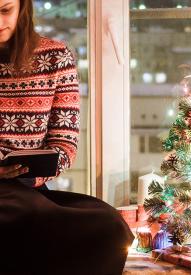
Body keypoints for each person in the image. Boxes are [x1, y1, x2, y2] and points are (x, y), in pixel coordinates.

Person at [0, 0, 134, 274]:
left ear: (22, 8)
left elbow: (64, 142)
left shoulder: (56, 58)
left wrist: (30, 173)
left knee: (110, 226)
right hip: (14, 199)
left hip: (28, 189)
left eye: (5, 10)